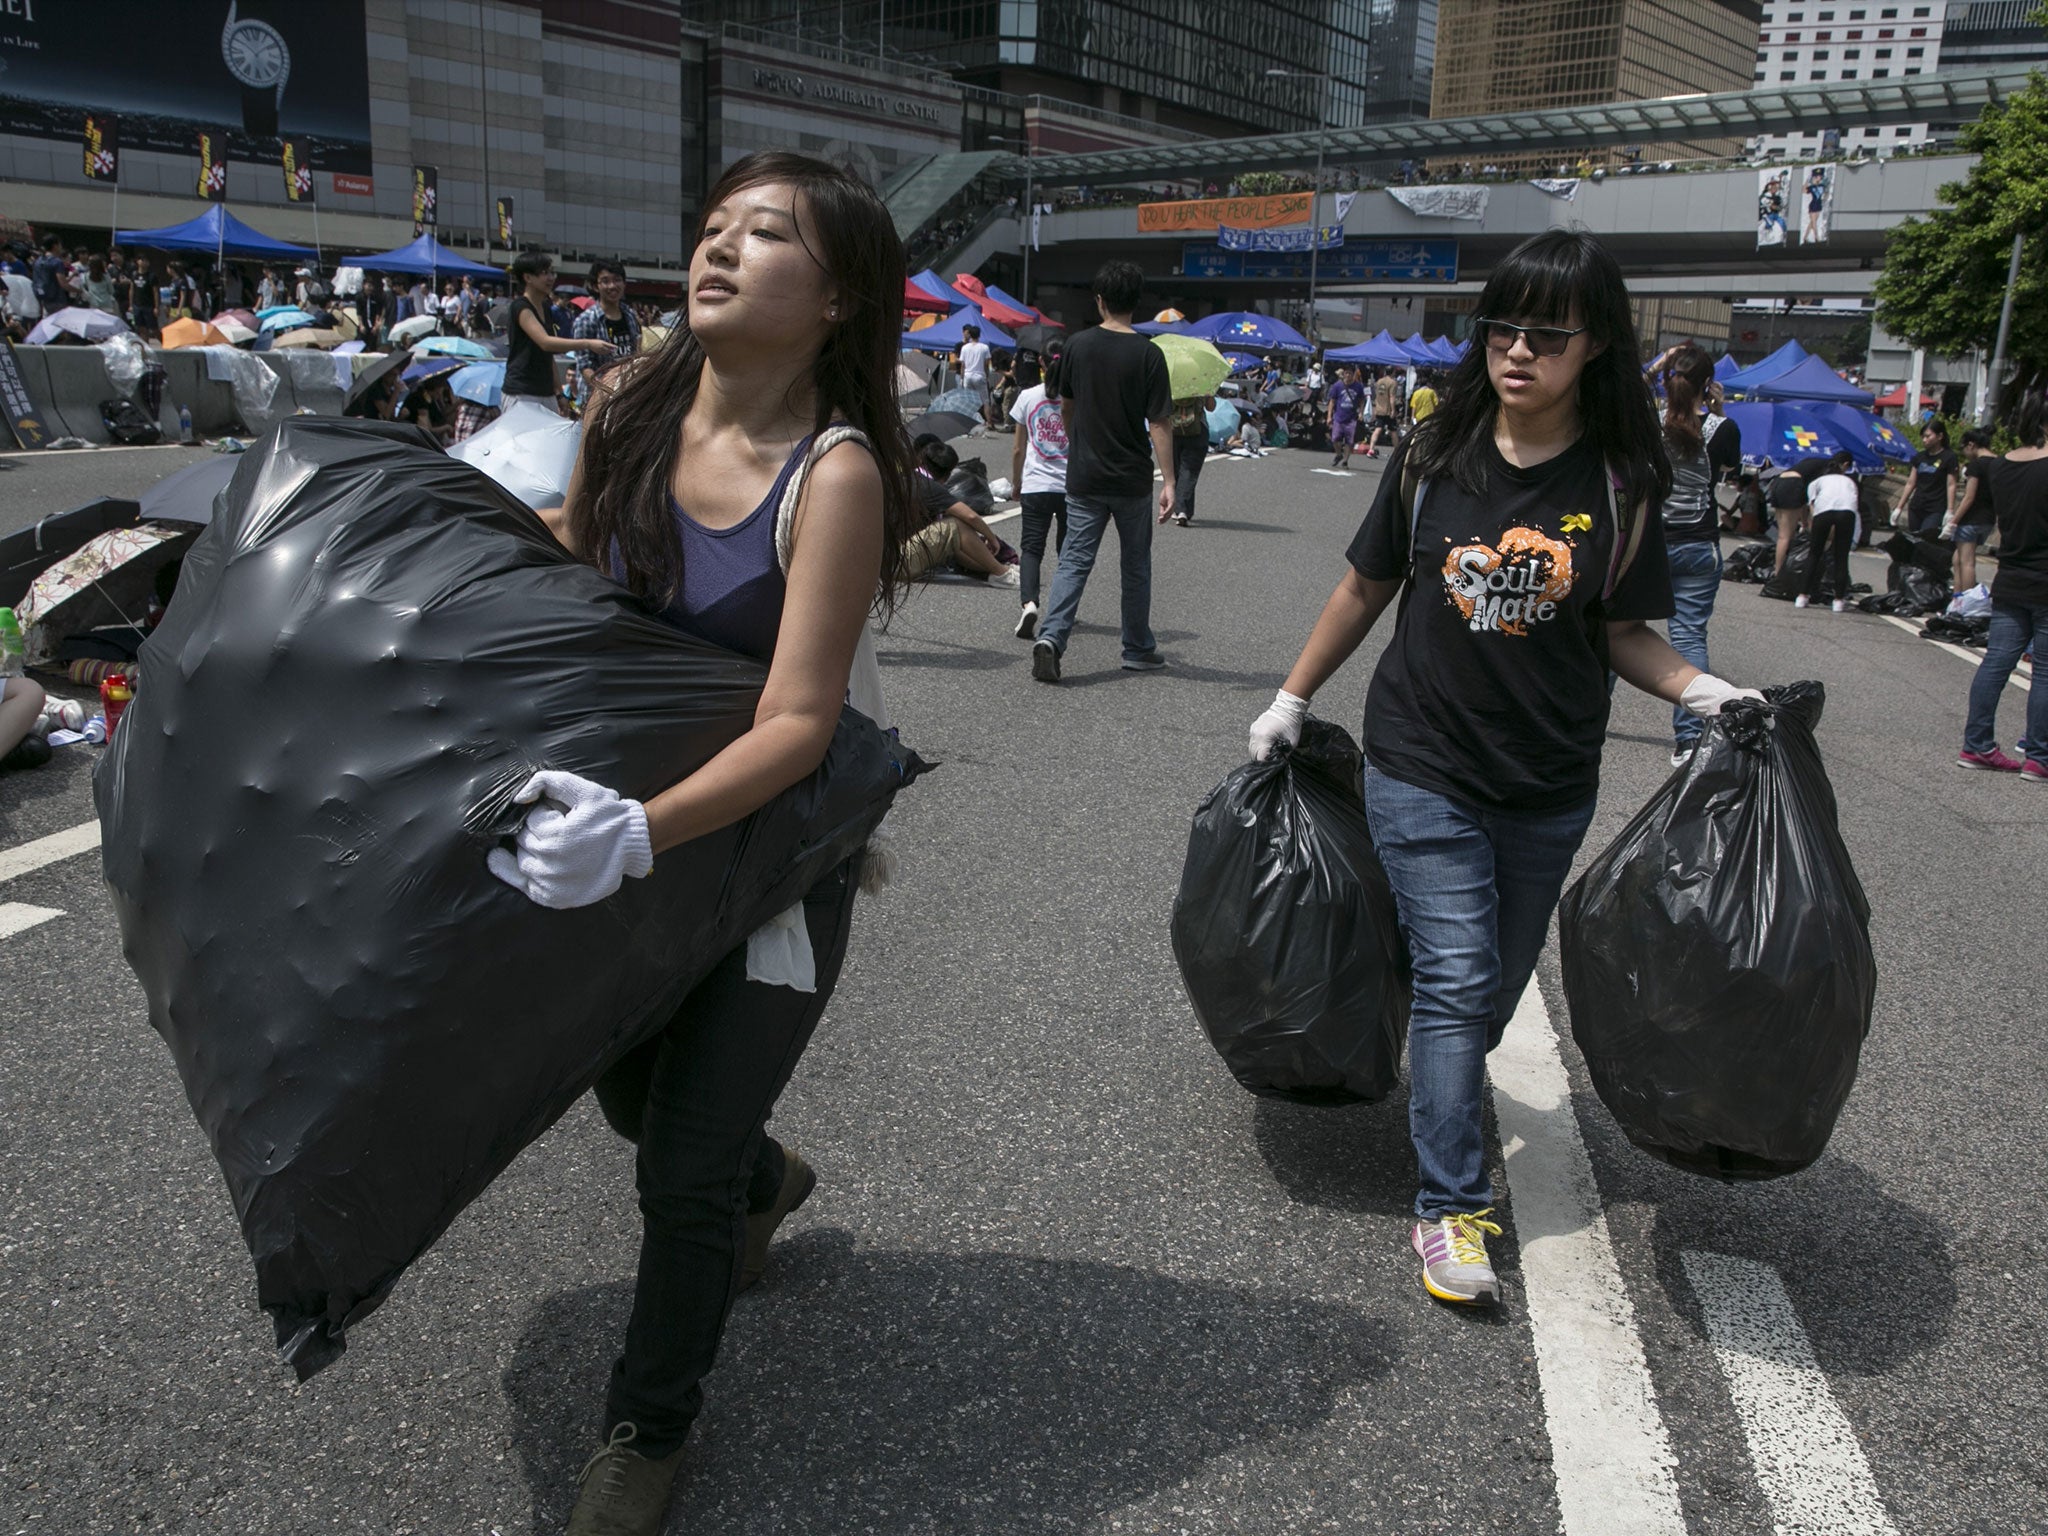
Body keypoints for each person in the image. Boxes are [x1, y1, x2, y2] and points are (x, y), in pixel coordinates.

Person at [497, 150, 917, 1535]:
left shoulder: (838, 474)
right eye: (715, 227)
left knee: (674, 1167)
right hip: (629, 832)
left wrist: (639, 830)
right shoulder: (626, 396)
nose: (720, 250)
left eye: (769, 235)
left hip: (769, 857)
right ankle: (768, 1179)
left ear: (841, 293)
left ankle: (647, 1427)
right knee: (627, 1102)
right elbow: (570, 565)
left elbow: (799, 725)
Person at [1244, 230, 1760, 1307]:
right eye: (1500, 328)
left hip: (1548, 782)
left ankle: (1409, 1057)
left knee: (1477, 994)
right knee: (1457, 976)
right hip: (1420, 758)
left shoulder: (1621, 483)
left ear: (1595, 348)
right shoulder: (1433, 458)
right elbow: (1362, 588)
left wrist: (1701, 689)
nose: (1515, 351)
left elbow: (1625, 632)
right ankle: (1448, 1208)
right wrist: (1291, 696)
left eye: (1545, 334)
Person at [1030, 259, 1172, 683]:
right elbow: (1160, 422)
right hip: (1131, 478)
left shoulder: (1076, 345)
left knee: (1074, 559)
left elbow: (1066, 404)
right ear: (1137, 303)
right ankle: (1137, 648)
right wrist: (1171, 481)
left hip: (1085, 475)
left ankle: (1052, 638)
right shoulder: (1149, 354)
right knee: (1135, 566)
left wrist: (1078, 444)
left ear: (1100, 300)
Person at [1956, 390, 2048, 778]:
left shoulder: (2002, 467)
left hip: (2010, 576)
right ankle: (2039, 756)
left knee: (1996, 662)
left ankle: (1977, 745)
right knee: (2044, 670)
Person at [1658, 344, 1741, 765]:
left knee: (1617, 634)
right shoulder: (1723, 428)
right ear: (1707, 384)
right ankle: (1688, 740)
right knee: (1689, 637)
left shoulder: (1649, 423)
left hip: (1651, 543)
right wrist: (1717, 407)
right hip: (1699, 543)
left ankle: (1590, 723)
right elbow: (1731, 473)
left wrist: (1659, 364)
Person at [1009, 346, 1069, 639]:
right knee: (1069, 551)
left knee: (1032, 549)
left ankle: (1030, 603)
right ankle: (1062, 608)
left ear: (1042, 363)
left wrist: (1016, 483)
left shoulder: (1028, 396)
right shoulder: (1077, 397)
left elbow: (1019, 448)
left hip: (1035, 483)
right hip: (1071, 485)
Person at [505, 252, 613, 413]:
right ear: (527, 277)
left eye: (551, 272)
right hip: (521, 392)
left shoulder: (546, 308)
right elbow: (546, 342)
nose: (551, 278)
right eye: (545, 273)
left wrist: (559, 394)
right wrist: (588, 343)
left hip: (545, 391)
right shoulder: (521, 307)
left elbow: (547, 357)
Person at [902, 438, 1017, 583]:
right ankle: (1003, 574)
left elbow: (956, 546)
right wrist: (991, 538)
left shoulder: (906, 478)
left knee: (951, 536)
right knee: (956, 525)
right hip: (901, 563)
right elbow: (970, 516)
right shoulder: (928, 487)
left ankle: (997, 569)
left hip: (885, 562)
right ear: (948, 474)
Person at [571, 259, 643, 400]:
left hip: (626, 392)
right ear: (596, 286)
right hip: (597, 397)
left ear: (624, 283)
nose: (612, 286)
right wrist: (605, 390)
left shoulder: (629, 314)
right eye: (605, 281)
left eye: (617, 280)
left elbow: (635, 351)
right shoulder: (586, 320)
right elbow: (584, 366)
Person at [1795, 463, 1860, 612]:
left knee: (1814, 554)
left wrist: (1806, 524)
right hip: (1847, 513)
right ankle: (1838, 601)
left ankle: (1802, 596)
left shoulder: (1817, 482)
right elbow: (1854, 503)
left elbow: (1811, 505)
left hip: (1824, 512)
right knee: (1841, 557)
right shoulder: (1850, 482)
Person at [1946, 427, 1998, 592]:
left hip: (1971, 519)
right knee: (1957, 559)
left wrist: (1953, 522)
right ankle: (1957, 598)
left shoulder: (1975, 466)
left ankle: (1968, 602)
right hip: (1989, 519)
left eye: (1964, 449)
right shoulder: (2000, 463)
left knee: (1967, 562)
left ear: (1971, 445)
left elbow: (1969, 497)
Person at [1895, 422, 1959, 536]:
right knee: (1914, 538)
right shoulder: (1919, 457)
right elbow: (1911, 483)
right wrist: (1899, 507)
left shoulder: (1949, 457)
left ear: (1940, 436)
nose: (1924, 440)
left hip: (1935, 507)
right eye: (1923, 437)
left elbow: (1951, 485)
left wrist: (1950, 510)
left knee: (1926, 538)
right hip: (1917, 506)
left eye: (1928, 436)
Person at [1168, 388, 1214, 526]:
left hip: (1173, 429)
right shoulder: (1202, 380)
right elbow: (1211, 407)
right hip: (1197, 430)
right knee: (1189, 470)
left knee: (1178, 470)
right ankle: (1182, 509)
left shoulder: (1172, 379)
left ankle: (1185, 509)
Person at [1326, 363, 1366, 469]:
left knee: (1349, 441)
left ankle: (1345, 461)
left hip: (1351, 418)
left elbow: (1362, 400)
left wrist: (1361, 412)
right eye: (1346, 373)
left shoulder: (1358, 386)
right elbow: (1332, 401)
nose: (1348, 376)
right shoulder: (1337, 386)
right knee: (1335, 438)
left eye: (1350, 374)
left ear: (1353, 375)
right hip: (1339, 416)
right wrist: (1329, 416)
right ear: (1343, 374)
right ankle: (1339, 454)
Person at [958, 322, 992, 420]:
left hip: (967, 376)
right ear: (979, 335)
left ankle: (967, 420)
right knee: (985, 401)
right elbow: (986, 364)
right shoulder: (984, 347)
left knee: (969, 401)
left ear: (970, 335)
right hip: (979, 375)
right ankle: (989, 422)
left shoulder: (964, 348)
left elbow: (962, 365)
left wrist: (961, 378)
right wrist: (987, 376)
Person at [31, 235, 72, 317]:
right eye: (60, 245)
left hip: (43, 299)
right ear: (55, 246)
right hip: (57, 299)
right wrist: (79, 290)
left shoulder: (38, 261)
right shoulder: (57, 262)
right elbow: (63, 284)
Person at [1364, 369, 1399, 458]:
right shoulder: (1392, 382)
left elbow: (1376, 394)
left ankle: (1371, 449)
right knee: (1393, 430)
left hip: (1379, 409)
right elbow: (1392, 397)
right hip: (1388, 410)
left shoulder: (1379, 381)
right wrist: (1393, 410)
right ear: (1393, 372)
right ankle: (1397, 451)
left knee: (1378, 429)